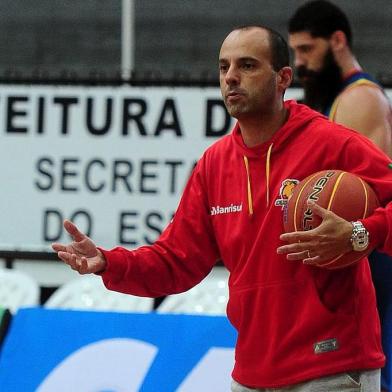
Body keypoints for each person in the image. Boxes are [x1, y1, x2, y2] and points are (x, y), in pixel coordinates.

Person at [52, 25, 392, 391]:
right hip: (250, 372)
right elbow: (175, 261)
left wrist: (360, 234)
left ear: (283, 78)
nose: (231, 77)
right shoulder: (213, 165)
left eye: (247, 66)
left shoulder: (330, 143)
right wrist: (108, 261)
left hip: (332, 367)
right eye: (223, 67)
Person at [288, 2, 392, 390]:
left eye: (307, 50)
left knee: (373, 371)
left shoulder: (359, 99)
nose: (300, 62)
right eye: (295, 52)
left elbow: (362, 195)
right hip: (358, 246)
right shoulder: (336, 100)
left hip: (373, 252)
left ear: (337, 41)